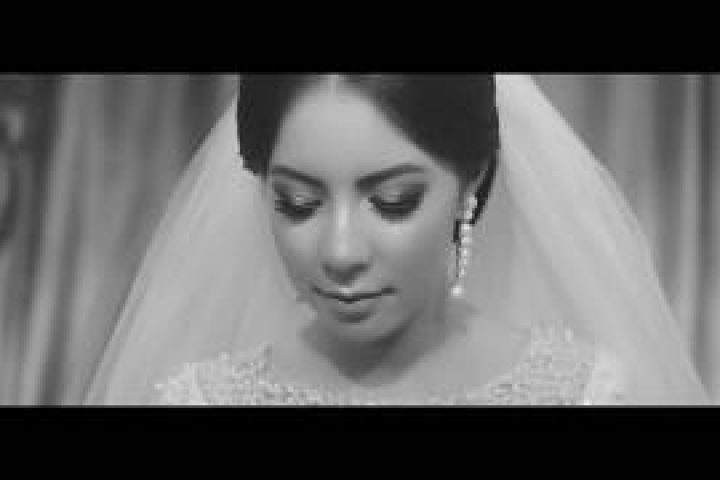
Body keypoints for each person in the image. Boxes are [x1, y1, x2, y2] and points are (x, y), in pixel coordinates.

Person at [85, 74, 709, 405]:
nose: (340, 252)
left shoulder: (583, 395)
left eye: (393, 202)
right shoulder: (202, 400)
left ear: (470, 181)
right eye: (299, 205)